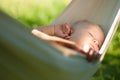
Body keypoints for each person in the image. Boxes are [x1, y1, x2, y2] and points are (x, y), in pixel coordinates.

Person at [31, 20, 105, 56]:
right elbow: (33, 35)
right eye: (91, 36)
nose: (96, 42)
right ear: (70, 33)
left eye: (98, 46)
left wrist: (92, 57)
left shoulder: (84, 62)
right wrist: (53, 29)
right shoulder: (55, 44)